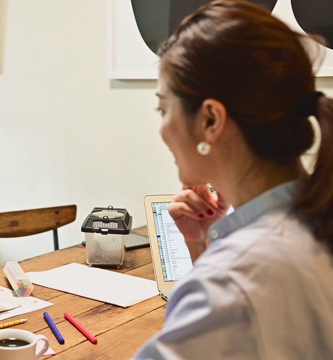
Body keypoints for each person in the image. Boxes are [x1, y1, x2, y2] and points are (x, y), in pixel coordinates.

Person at [134, 1, 333, 358]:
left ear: (211, 120)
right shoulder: (314, 223)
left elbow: (240, 298)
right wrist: (202, 248)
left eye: (163, 109)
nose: (162, 128)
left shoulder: (232, 282)